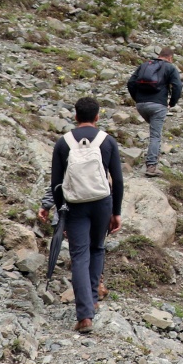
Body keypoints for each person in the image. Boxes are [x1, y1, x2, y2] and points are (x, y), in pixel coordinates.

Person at [39, 96, 122, 334]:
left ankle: (85, 315)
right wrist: (116, 212)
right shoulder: (108, 142)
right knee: (97, 248)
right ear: (97, 117)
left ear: (75, 116)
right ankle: (93, 299)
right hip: (102, 203)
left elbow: (56, 183)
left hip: (75, 206)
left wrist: (58, 210)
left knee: (79, 255)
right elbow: (118, 180)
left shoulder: (63, 143)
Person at [126, 48, 183, 177]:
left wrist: (137, 99)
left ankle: (153, 156)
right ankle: (151, 166)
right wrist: (172, 103)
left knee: (154, 131)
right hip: (158, 105)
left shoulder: (145, 65)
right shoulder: (170, 67)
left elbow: (130, 83)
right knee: (155, 136)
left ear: (159, 55)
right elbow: (178, 86)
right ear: (170, 58)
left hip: (141, 105)